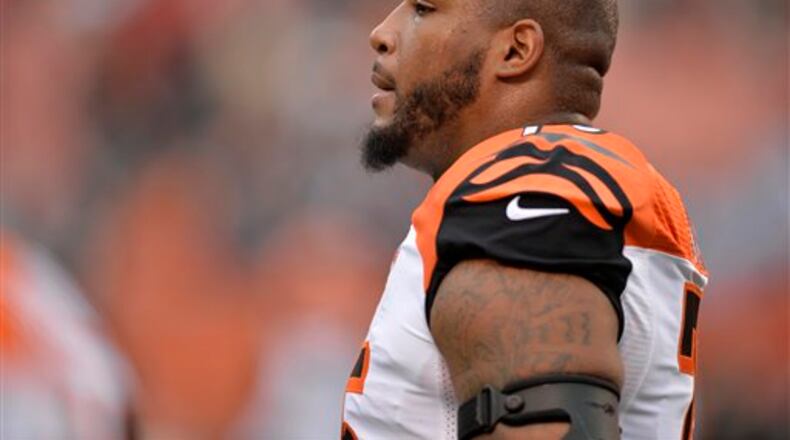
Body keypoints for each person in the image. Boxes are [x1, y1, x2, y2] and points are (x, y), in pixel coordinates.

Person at [341, 0, 708, 439]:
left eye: (423, 8)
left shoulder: (525, 184)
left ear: (516, 50)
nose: (381, 33)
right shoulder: (585, 178)